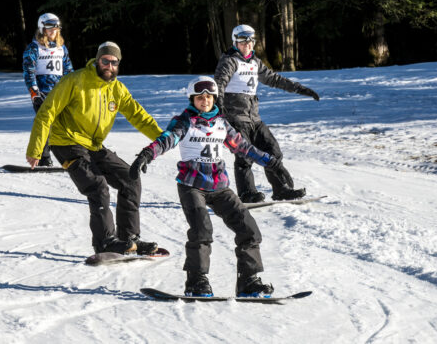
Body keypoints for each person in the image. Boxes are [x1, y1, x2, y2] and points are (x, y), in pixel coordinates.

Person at [129, 76, 277, 297]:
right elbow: (166, 139)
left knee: (249, 229)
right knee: (201, 230)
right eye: (200, 97)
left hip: (219, 187)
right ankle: (196, 281)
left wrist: (269, 161)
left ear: (214, 98)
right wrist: (146, 155)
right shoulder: (184, 121)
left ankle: (249, 281)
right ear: (193, 99)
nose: (204, 100)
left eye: (208, 97)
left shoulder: (221, 123)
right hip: (192, 185)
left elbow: (243, 146)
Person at [26, 41, 163, 255]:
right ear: (97, 61)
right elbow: (47, 112)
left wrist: (164, 138)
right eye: (105, 61)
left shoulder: (117, 89)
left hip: (93, 145)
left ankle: (129, 238)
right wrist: (36, 149)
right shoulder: (75, 80)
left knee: (130, 178)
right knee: (98, 187)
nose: (109, 66)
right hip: (66, 142)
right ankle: (104, 242)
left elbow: (138, 116)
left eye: (114, 62)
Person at [214, 24, 320, 203]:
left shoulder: (255, 62)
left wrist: (300, 89)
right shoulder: (229, 60)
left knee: (273, 151)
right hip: (236, 117)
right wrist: (219, 105)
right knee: (244, 156)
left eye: (250, 40)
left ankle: (281, 190)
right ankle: (247, 193)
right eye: (242, 40)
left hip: (254, 118)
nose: (247, 44)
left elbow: (273, 79)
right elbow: (219, 83)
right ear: (235, 41)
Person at [22, 13, 74, 167]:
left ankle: (69, 157)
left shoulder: (61, 48)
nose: (54, 30)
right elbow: (28, 71)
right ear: (42, 28)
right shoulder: (34, 47)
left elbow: (69, 71)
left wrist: (72, 89)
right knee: (44, 123)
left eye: (56, 27)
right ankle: (43, 158)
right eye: (50, 27)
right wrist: (34, 92)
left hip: (59, 93)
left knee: (62, 125)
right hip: (41, 93)